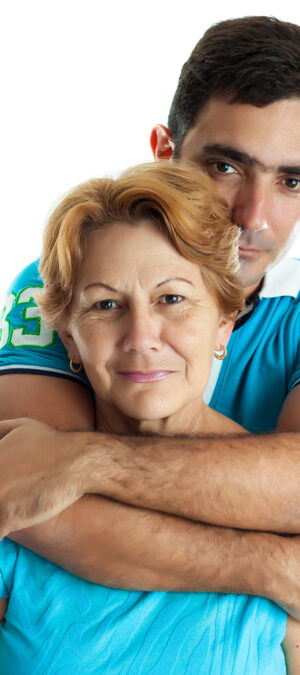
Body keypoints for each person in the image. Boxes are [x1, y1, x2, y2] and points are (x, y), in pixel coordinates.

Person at [0, 11, 299, 656]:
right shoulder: (71, 276)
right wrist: (274, 567)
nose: (253, 216)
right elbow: (32, 499)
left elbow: (60, 464)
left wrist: (86, 461)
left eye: (292, 180)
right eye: (225, 166)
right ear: (166, 151)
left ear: (223, 324)